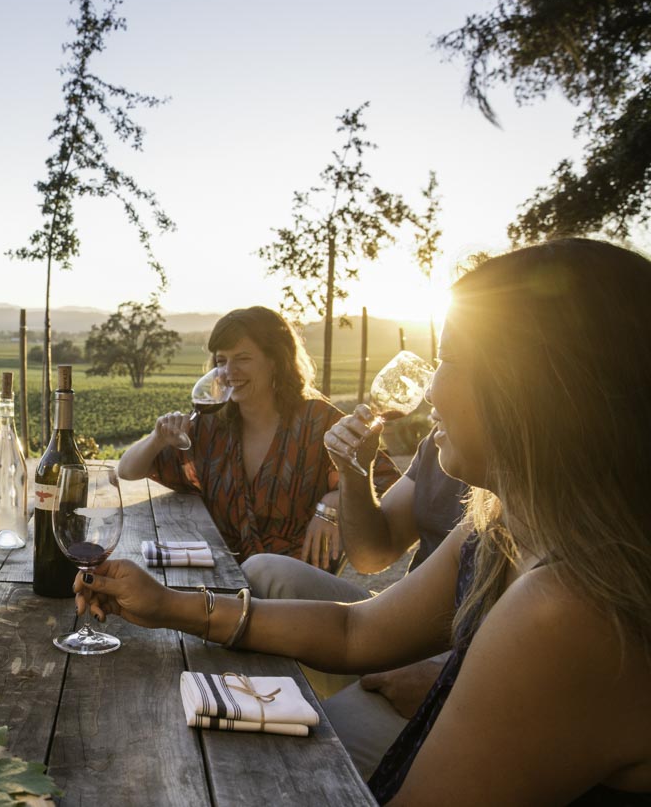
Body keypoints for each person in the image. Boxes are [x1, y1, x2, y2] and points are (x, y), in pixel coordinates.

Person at [79, 239, 651, 804]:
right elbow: (357, 631)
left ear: (531, 389)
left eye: (448, 360)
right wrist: (167, 605)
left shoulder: (570, 607)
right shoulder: (495, 528)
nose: (427, 391)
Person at [245, 417, 469, 778]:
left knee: (310, 752)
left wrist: (447, 681)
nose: (428, 390)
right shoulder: (440, 440)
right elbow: (372, 555)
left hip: (463, 660)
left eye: (448, 360)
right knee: (262, 572)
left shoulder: (547, 470)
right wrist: (353, 472)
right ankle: (240, 705)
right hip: (408, 619)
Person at [117, 306, 400, 565]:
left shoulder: (318, 421)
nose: (229, 371)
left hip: (293, 583)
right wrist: (158, 438)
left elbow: (386, 482)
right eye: (222, 360)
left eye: (243, 358)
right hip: (223, 576)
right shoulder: (210, 426)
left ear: (275, 361)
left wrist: (332, 505)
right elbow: (128, 470)